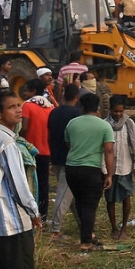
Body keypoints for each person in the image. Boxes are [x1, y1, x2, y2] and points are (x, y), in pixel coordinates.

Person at [0, 92, 41, 268]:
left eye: (18, 105)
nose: (18, 110)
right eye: (12, 107)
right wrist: (34, 212)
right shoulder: (6, 143)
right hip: (12, 224)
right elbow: (18, 185)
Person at [64, 92, 114, 251]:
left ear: (82, 107)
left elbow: (69, 144)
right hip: (91, 169)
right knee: (90, 205)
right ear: (97, 108)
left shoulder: (72, 123)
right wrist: (109, 174)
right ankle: (86, 241)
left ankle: (88, 234)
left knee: (80, 201)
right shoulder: (104, 126)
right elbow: (109, 151)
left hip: (71, 168)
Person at [104, 95, 135, 240]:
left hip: (126, 166)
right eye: (115, 111)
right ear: (110, 110)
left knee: (126, 197)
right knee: (110, 199)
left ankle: (124, 228)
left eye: (121, 111)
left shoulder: (129, 123)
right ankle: (114, 227)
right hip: (110, 169)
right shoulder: (105, 124)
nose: (118, 114)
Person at [47, 83, 82, 238]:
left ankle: (83, 223)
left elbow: (49, 136)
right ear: (76, 97)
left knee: (70, 194)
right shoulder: (77, 114)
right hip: (70, 158)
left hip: (56, 155)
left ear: (63, 95)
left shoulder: (54, 112)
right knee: (64, 194)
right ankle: (55, 230)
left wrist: (51, 156)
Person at [19, 79, 54, 221]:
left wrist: (19, 139)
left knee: (28, 183)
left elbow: (24, 127)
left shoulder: (27, 105)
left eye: (26, 90)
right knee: (43, 184)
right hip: (46, 151)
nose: (25, 93)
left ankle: (30, 215)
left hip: (30, 151)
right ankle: (43, 215)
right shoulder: (49, 107)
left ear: (33, 91)